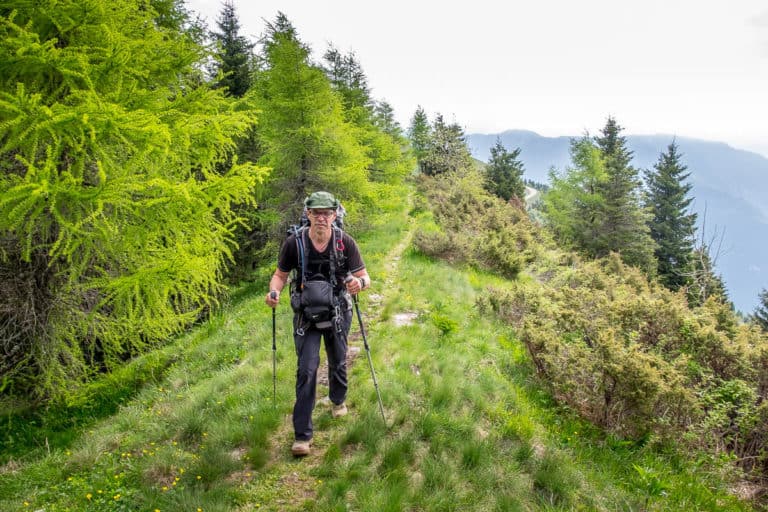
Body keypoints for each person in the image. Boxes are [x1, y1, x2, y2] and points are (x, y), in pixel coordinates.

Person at [265, 191, 371, 457]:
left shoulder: (345, 242)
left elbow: (364, 276)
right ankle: (302, 436)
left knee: (338, 360)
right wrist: (273, 292)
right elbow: (280, 275)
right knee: (307, 369)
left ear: (334, 215)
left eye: (327, 213)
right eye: (317, 213)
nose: (322, 218)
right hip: (306, 316)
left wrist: (360, 284)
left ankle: (337, 400)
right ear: (308, 215)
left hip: (337, 312)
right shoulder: (295, 243)